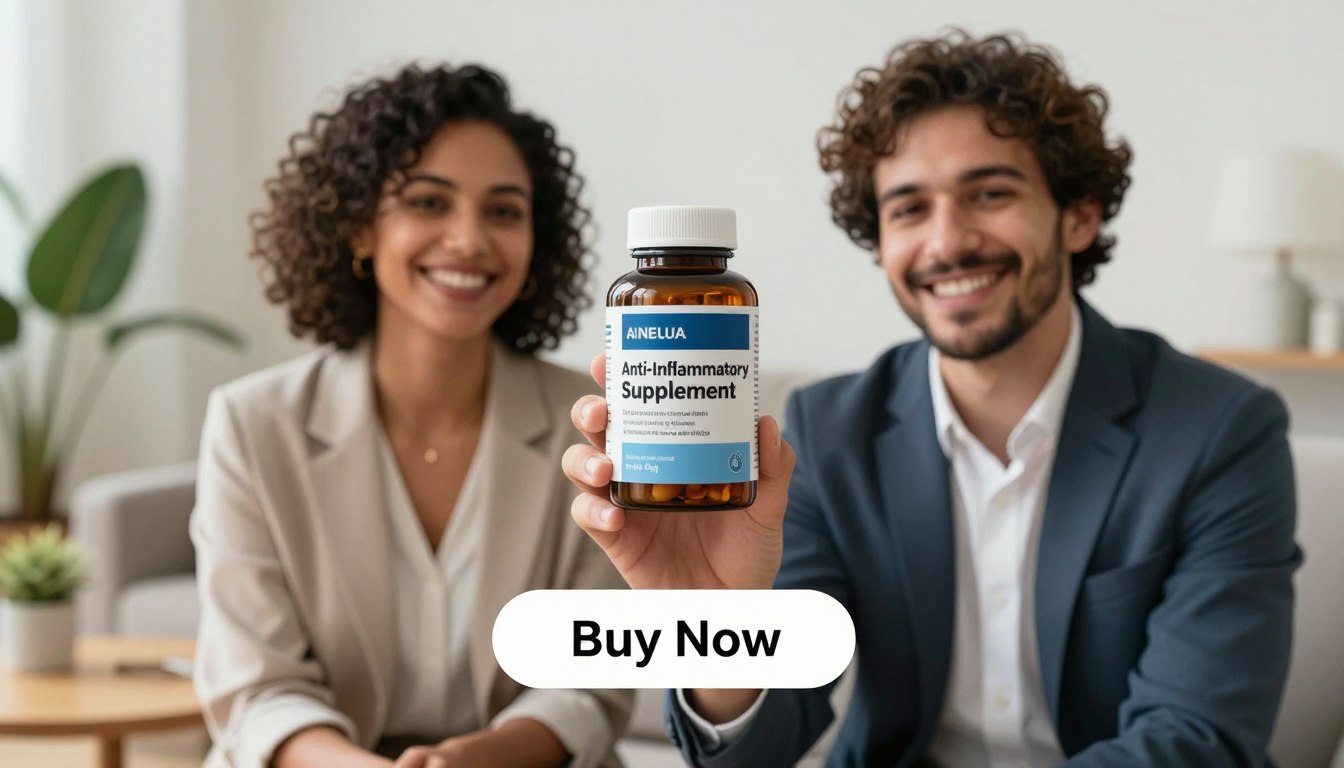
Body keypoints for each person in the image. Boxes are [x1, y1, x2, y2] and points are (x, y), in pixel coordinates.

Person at [563, 30, 1299, 766]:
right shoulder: (828, 433)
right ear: (878, 241)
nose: (948, 242)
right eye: (910, 209)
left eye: (991, 193)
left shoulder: (1221, 429)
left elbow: (1196, 741)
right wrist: (718, 629)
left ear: (1079, 215)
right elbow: (764, 744)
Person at [191, 63, 630, 768]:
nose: (468, 239)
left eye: (504, 210)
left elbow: (590, 679)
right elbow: (257, 689)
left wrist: (472, 761)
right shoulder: (252, 424)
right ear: (360, 228)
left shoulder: (592, 420)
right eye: (429, 203)